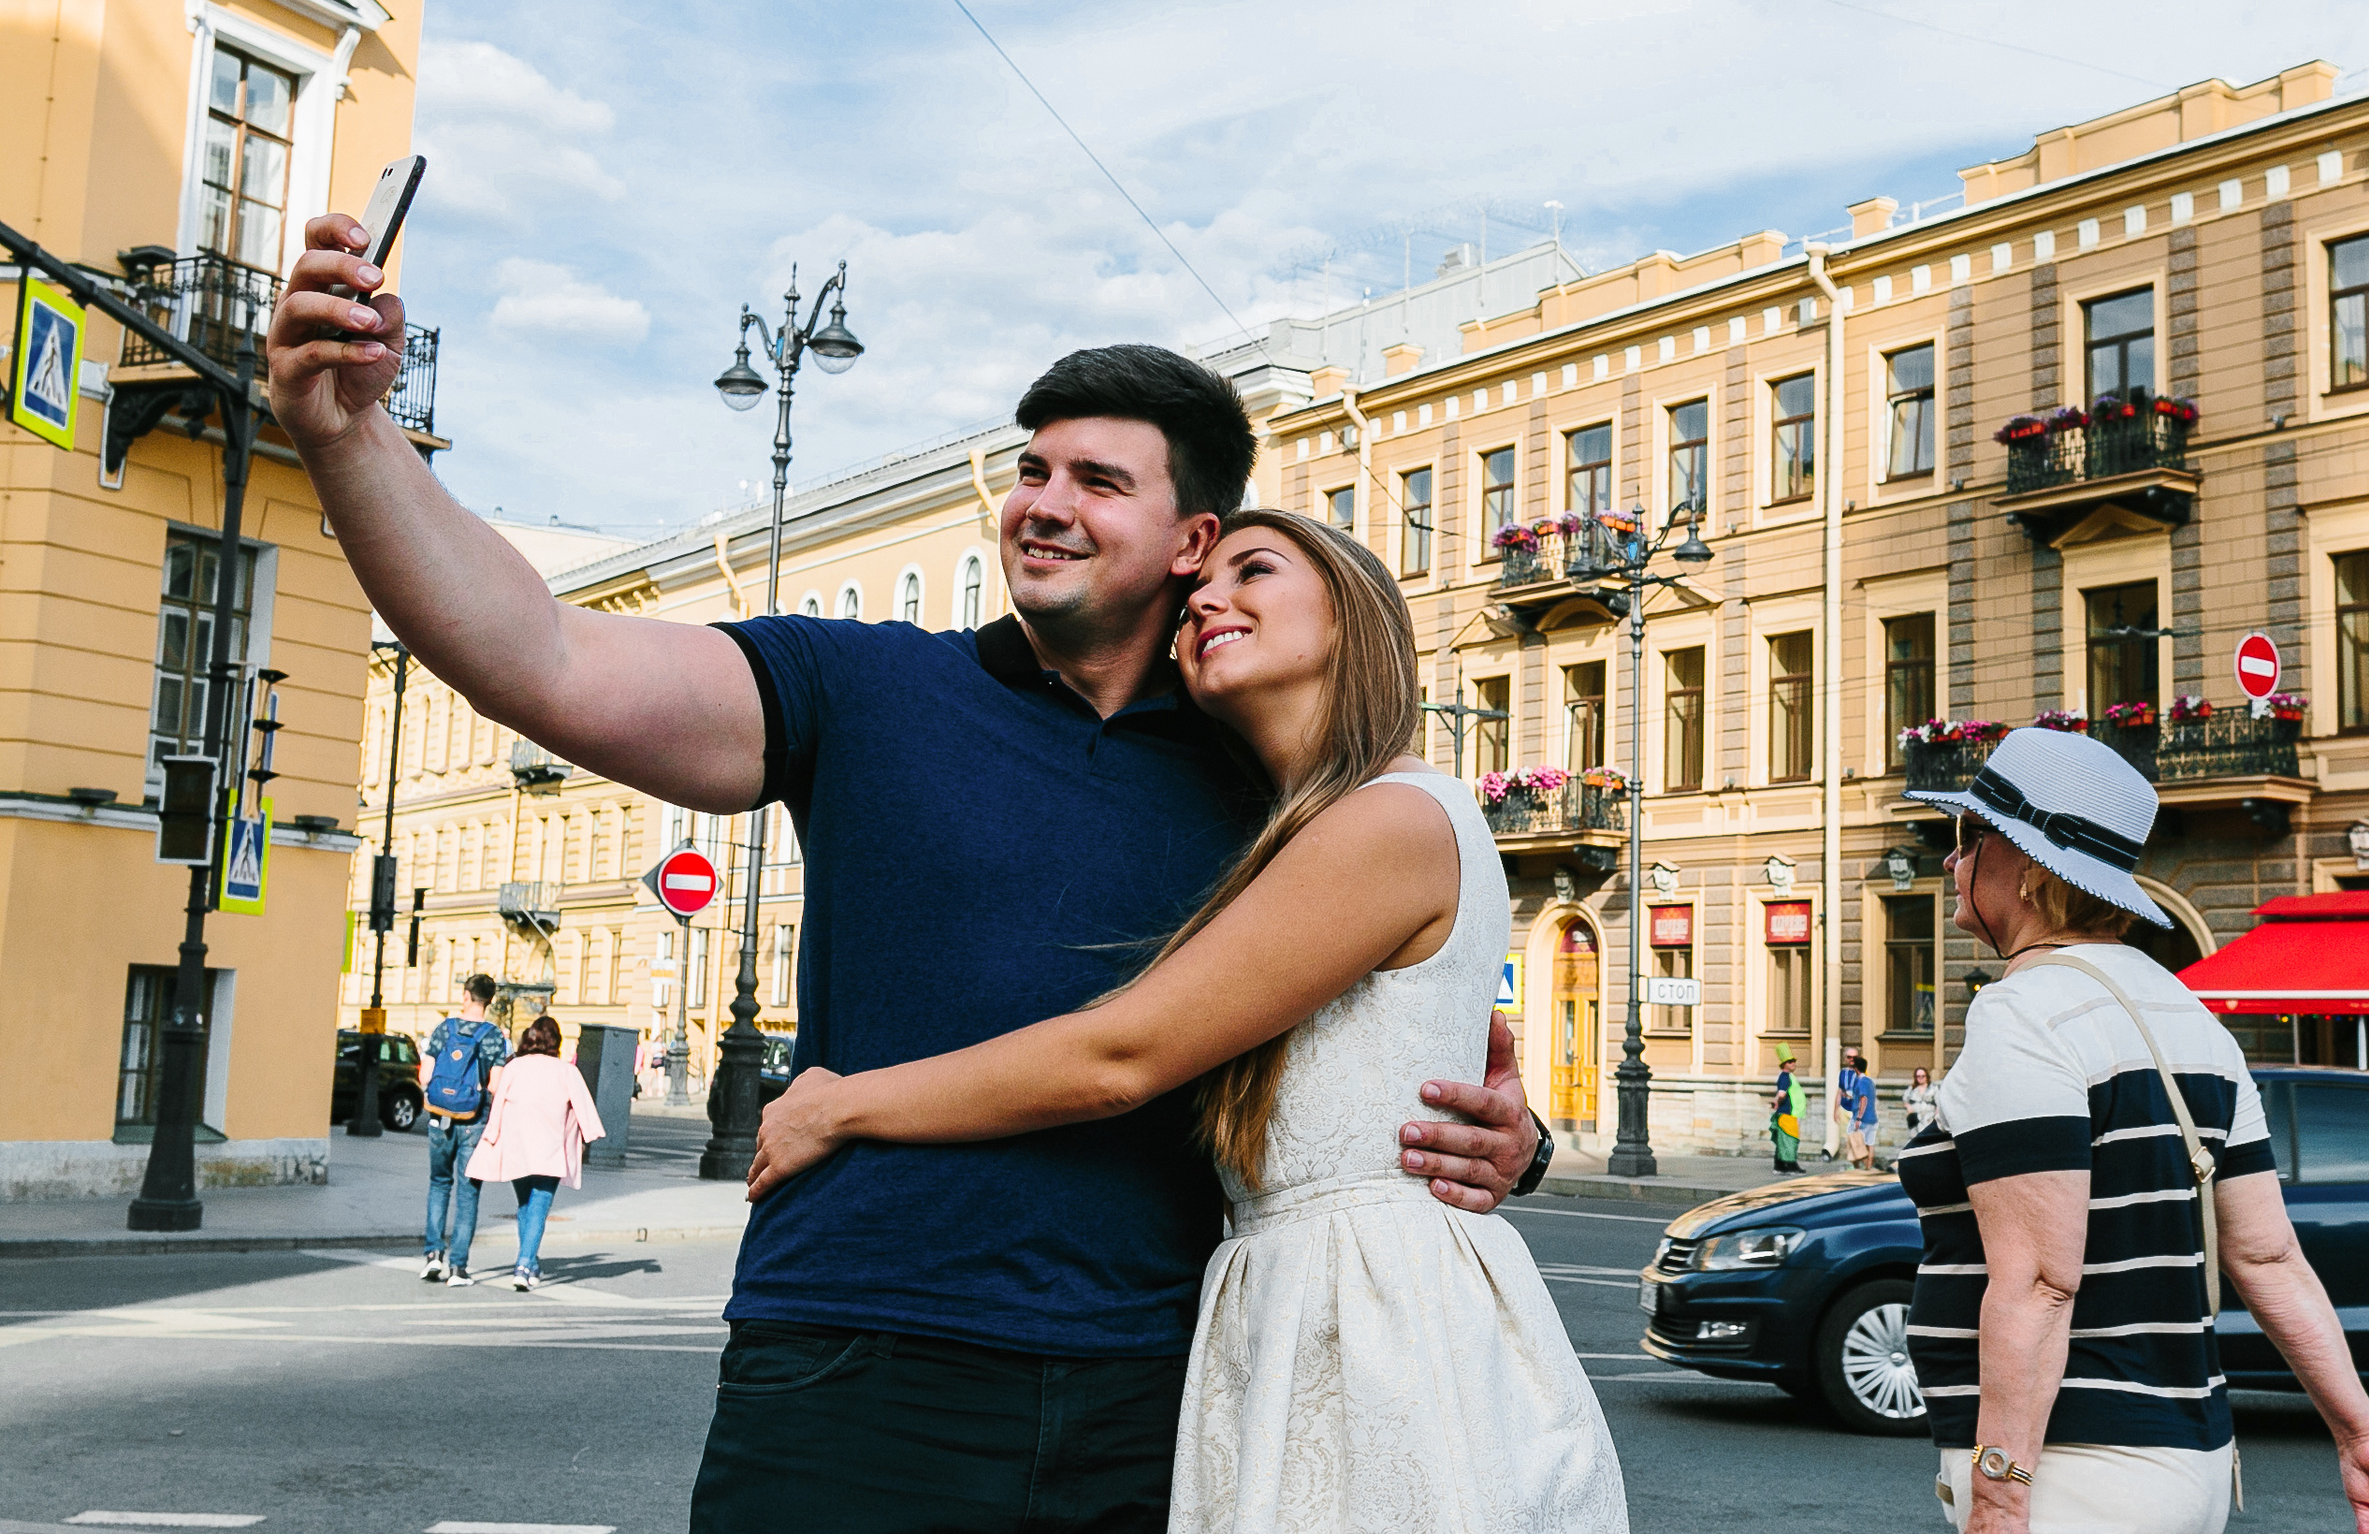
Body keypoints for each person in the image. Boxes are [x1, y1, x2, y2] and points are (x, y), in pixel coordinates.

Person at [263, 214, 1539, 1533]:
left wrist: (1512, 1135)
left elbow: (1409, 1042)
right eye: (1035, 468)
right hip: (854, 1355)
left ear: (1190, 539)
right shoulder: (866, 684)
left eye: (1099, 479)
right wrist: (349, 436)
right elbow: (543, 654)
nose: (1044, 501)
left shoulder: (1274, 786)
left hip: (1148, 1390)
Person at [748, 510, 1626, 1531]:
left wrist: (842, 1105)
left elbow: (1125, 1055)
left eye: (1253, 571)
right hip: (1312, 1301)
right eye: (1194, 593)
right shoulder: (1301, 830)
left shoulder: (1388, 819)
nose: (1207, 598)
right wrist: (1517, 1146)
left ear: (1352, 619)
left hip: (1374, 1320)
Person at [1902, 728, 2369, 1534]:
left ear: (2031, 869)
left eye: (1968, 838)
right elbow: (2270, 1256)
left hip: (2072, 1473)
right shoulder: (2191, 1015)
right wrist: (2363, 1436)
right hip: (2193, 1463)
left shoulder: (2024, 1012)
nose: (1950, 860)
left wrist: (2001, 1497)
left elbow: (2041, 1280)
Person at [464, 1015, 604, 1291]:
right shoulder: (566, 1071)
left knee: (525, 1206)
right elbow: (585, 1109)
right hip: (549, 1150)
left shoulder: (514, 1067)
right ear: (556, 1041)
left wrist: (491, 1137)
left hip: (517, 1148)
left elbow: (498, 1105)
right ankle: (524, 1264)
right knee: (539, 1207)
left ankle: (531, 1263)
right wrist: (589, 1136)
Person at [418, 973, 510, 1288]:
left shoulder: (444, 1029)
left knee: (439, 1184)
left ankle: (433, 1257)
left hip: (440, 1117)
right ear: (490, 1000)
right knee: (468, 1194)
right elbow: (496, 1086)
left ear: (467, 995)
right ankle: (458, 1268)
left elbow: (426, 1076)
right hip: (474, 1120)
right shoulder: (494, 1036)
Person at [1839, 1048, 1879, 1170]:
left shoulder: (1860, 1081)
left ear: (1856, 1068)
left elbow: (1863, 1099)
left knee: (1854, 1142)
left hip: (1863, 1118)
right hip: (1873, 1118)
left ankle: (1858, 1168)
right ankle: (1868, 1169)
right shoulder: (1870, 1081)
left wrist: (1859, 1118)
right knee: (1869, 1144)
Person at [1771, 1050, 1806, 1174]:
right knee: (1790, 1140)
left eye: (1794, 1061)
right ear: (1784, 1064)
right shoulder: (1785, 1077)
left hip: (1791, 1113)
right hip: (1788, 1113)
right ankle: (1791, 1166)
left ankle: (1779, 1166)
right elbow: (1782, 1094)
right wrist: (1777, 1102)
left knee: (1784, 1140)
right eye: (1790, 1062)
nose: (1793, 1064)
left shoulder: (1789, 1076)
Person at [1904, 1064, 1938, 1137]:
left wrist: (1936, 1115)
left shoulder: (1933, 1088)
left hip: (1929, 1117)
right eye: (1918, 1076)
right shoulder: (1912, 1089)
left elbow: (1938, 1102)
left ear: (1926, 1076)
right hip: (1915, 1118)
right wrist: (1908, 1107)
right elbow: (1905, 1099)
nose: (1920, 1078)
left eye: (1923, 1076)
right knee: (1914, 1137)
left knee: (1928, 1137)